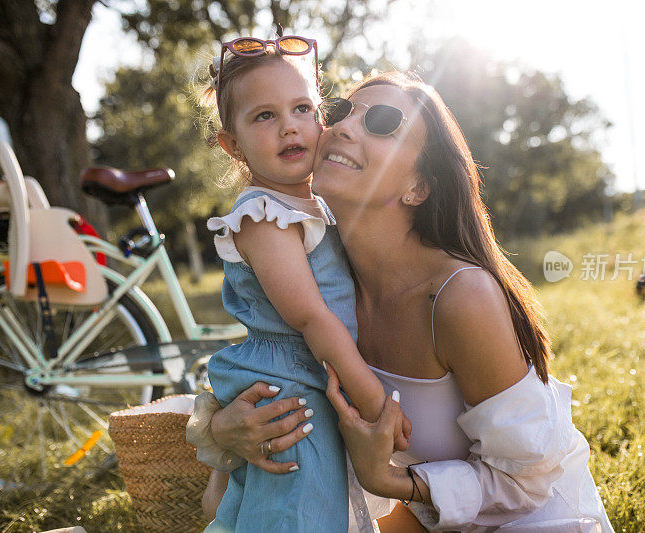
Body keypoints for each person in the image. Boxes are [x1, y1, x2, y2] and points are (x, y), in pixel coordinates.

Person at [198, 71, 614, 532]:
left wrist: (396, 481)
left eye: (382, 123)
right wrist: (223, 432)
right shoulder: (320, 285)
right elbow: (268, 369)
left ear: (418, 186)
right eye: (338, 111)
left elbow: (526, 482)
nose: (345, 127)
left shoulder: (459, 297)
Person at [188, 38, 409, 533]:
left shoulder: (318, 207)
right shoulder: (264, 217)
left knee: (312, 503)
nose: (289, 125)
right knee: (300, 511)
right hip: (292, 385)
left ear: (321, 119)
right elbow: (310, 317)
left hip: (317, 372)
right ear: (233, 144)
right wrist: (375, 401)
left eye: (302, 108)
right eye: (264, 116)